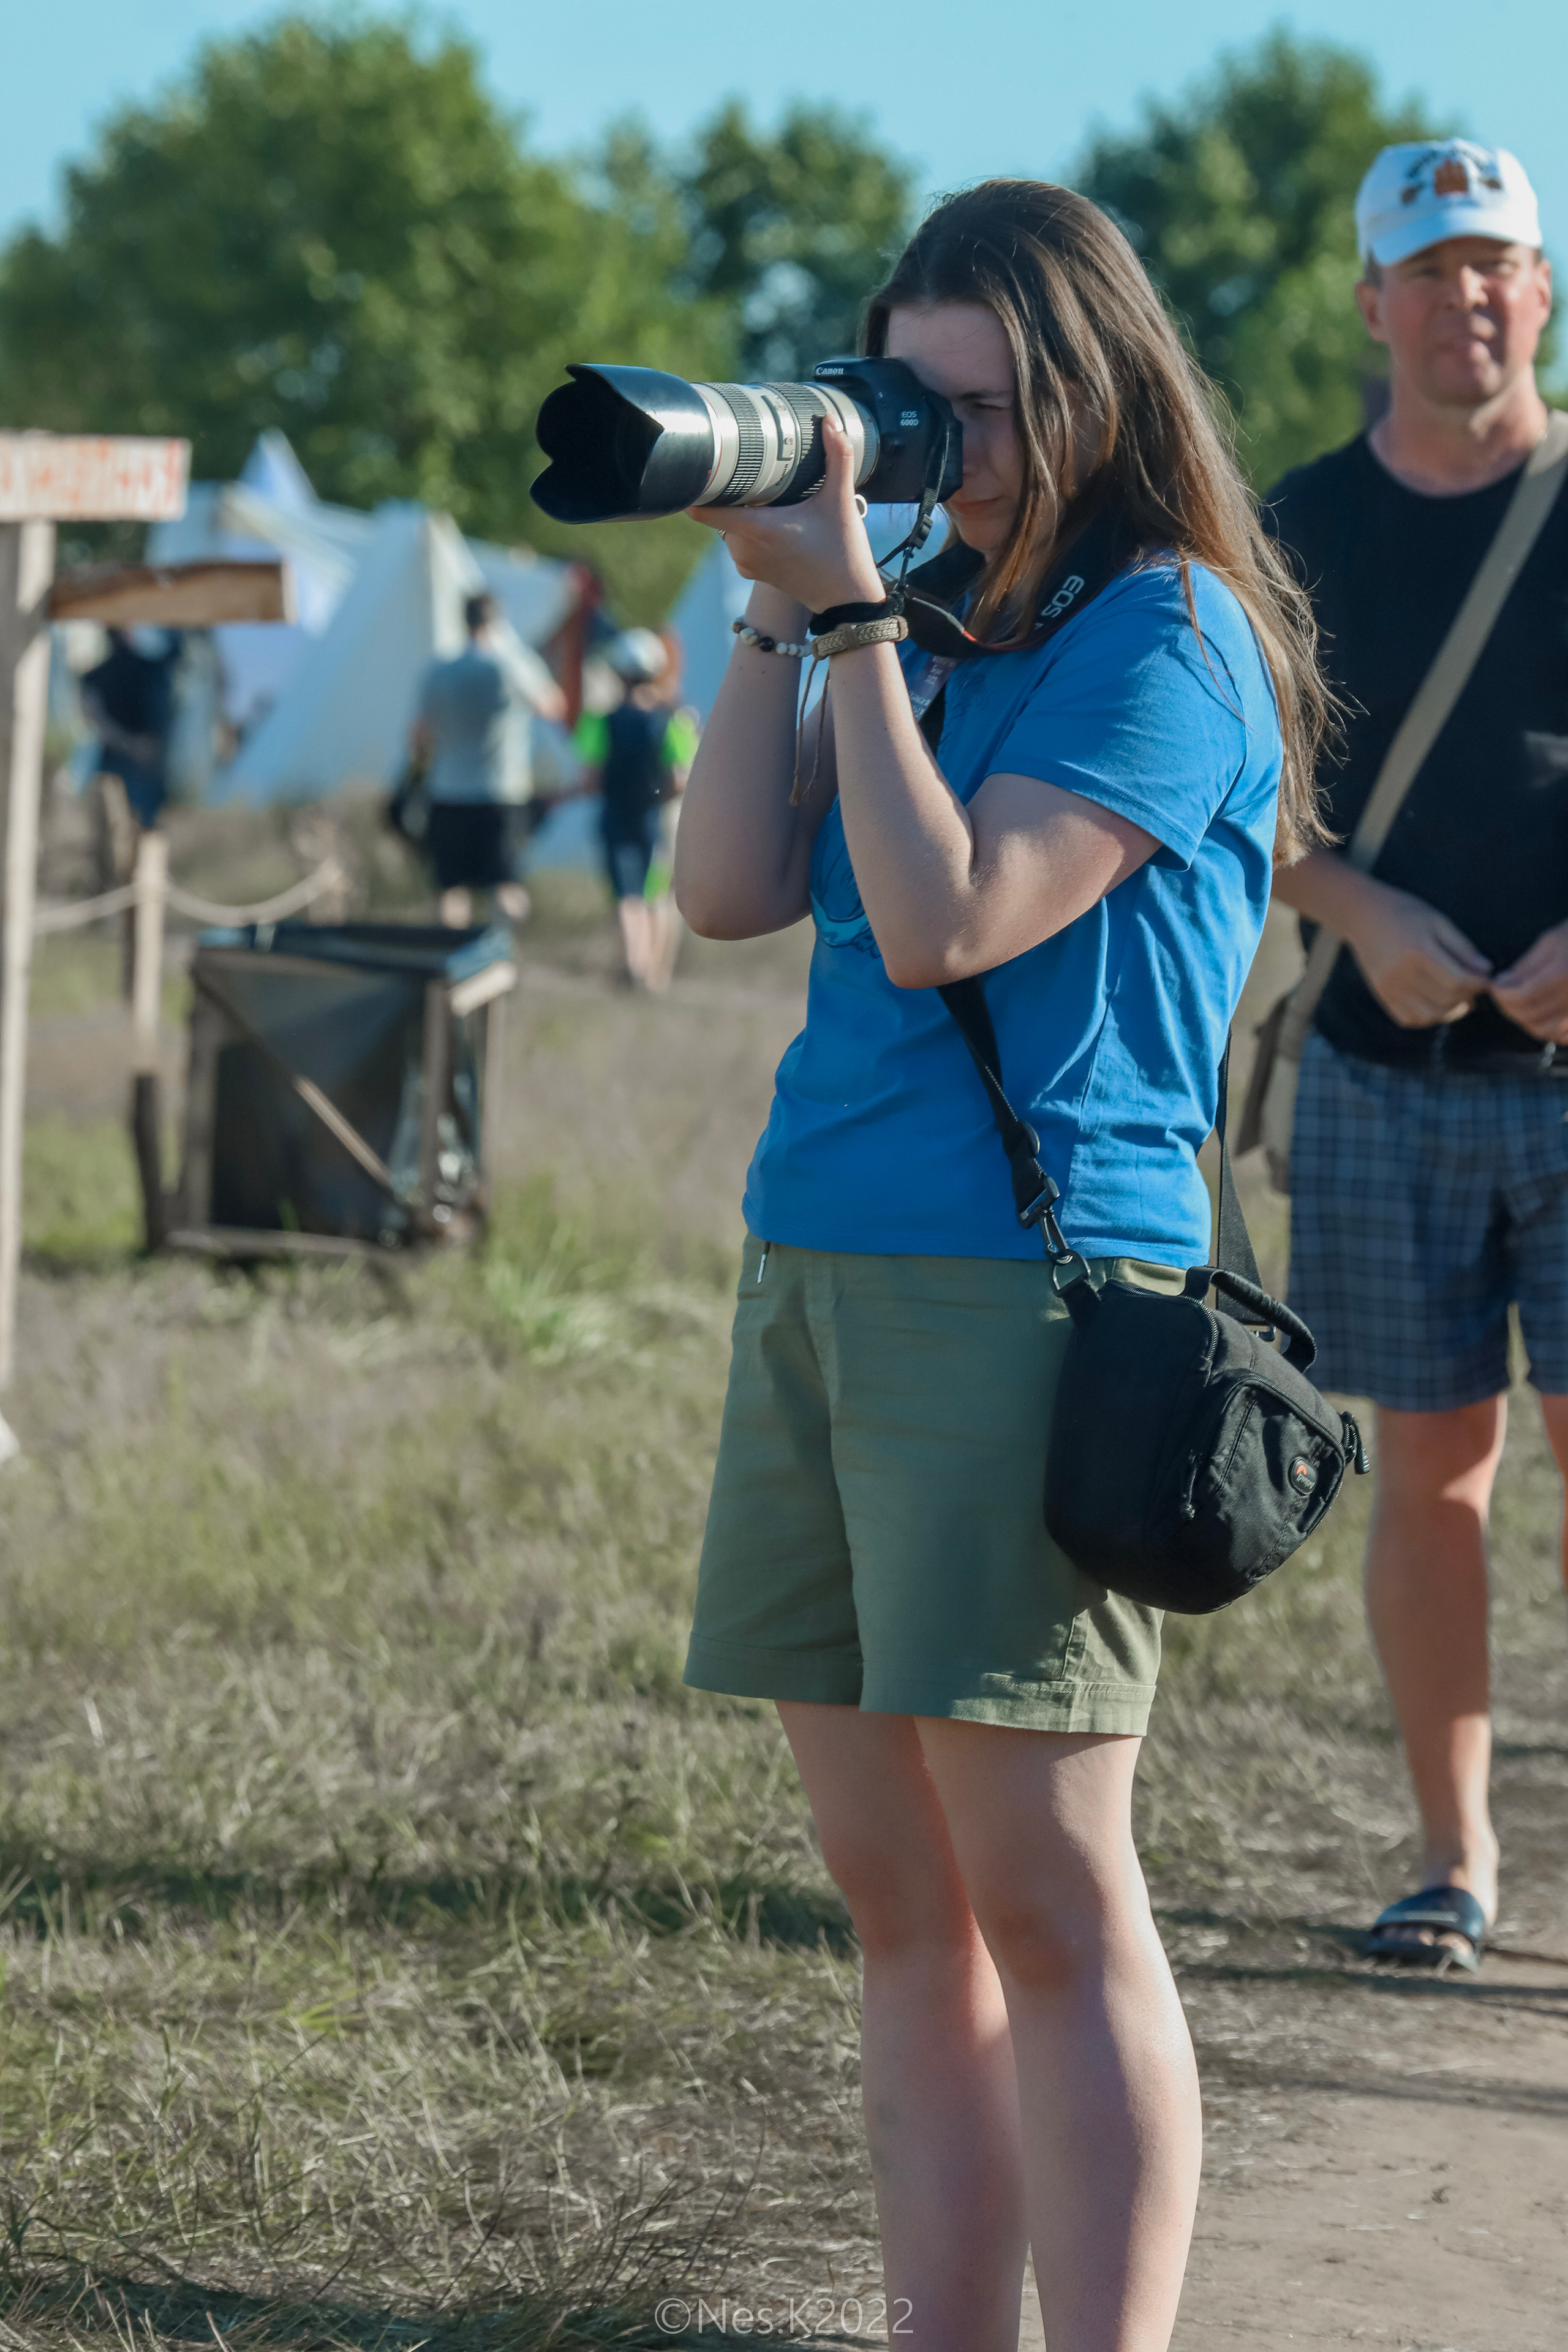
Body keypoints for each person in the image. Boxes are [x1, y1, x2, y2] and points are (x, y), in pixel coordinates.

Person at [674, 179, 1329, 2351]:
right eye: (902, 405)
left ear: (1093, 386)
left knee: (1045, 1903)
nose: (937, 455)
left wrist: (853, 608)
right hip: (821, 1262)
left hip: (1029, 1295)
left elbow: (958, 918)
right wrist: (784, 608)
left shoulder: (1172, 635)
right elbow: (727, 889)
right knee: (896, 1909)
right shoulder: (925, 602)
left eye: (977, 409)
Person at [1265, 142, 1566, 1974]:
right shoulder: (1299, 522)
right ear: (1371, 304)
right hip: (1381, 1067)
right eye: (1432, 267)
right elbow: (1242, 795)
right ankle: (1451, 1861)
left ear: (1540, 294)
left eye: (1500, 265)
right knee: (1428, 1474)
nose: (1468, 295)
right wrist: (1350, 905)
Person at [410, 591, 566, 929]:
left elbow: (420, 737)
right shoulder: (513, 667)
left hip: (448, 790)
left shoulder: (438, 671)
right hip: (501, 791)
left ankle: (448, 962)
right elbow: (554, 707)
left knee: (449, 889)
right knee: (506, 886)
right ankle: (502, 955)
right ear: (497, 621)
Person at [575, 628, 696, 991]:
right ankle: (654, 976)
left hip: (614, 814)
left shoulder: (599, 720)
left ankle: (633, 966)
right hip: (654, 817)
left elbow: (590, 779)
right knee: (655, 894)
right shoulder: (673, 720)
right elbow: (680, 779)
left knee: (625, 895)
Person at [80, 626, 182, 882]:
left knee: (140, 834)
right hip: (123, 765)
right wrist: (133, 745)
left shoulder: (141, 669)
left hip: (136, 763)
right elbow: (96, 718)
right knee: (118, 833)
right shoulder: (104, 675)